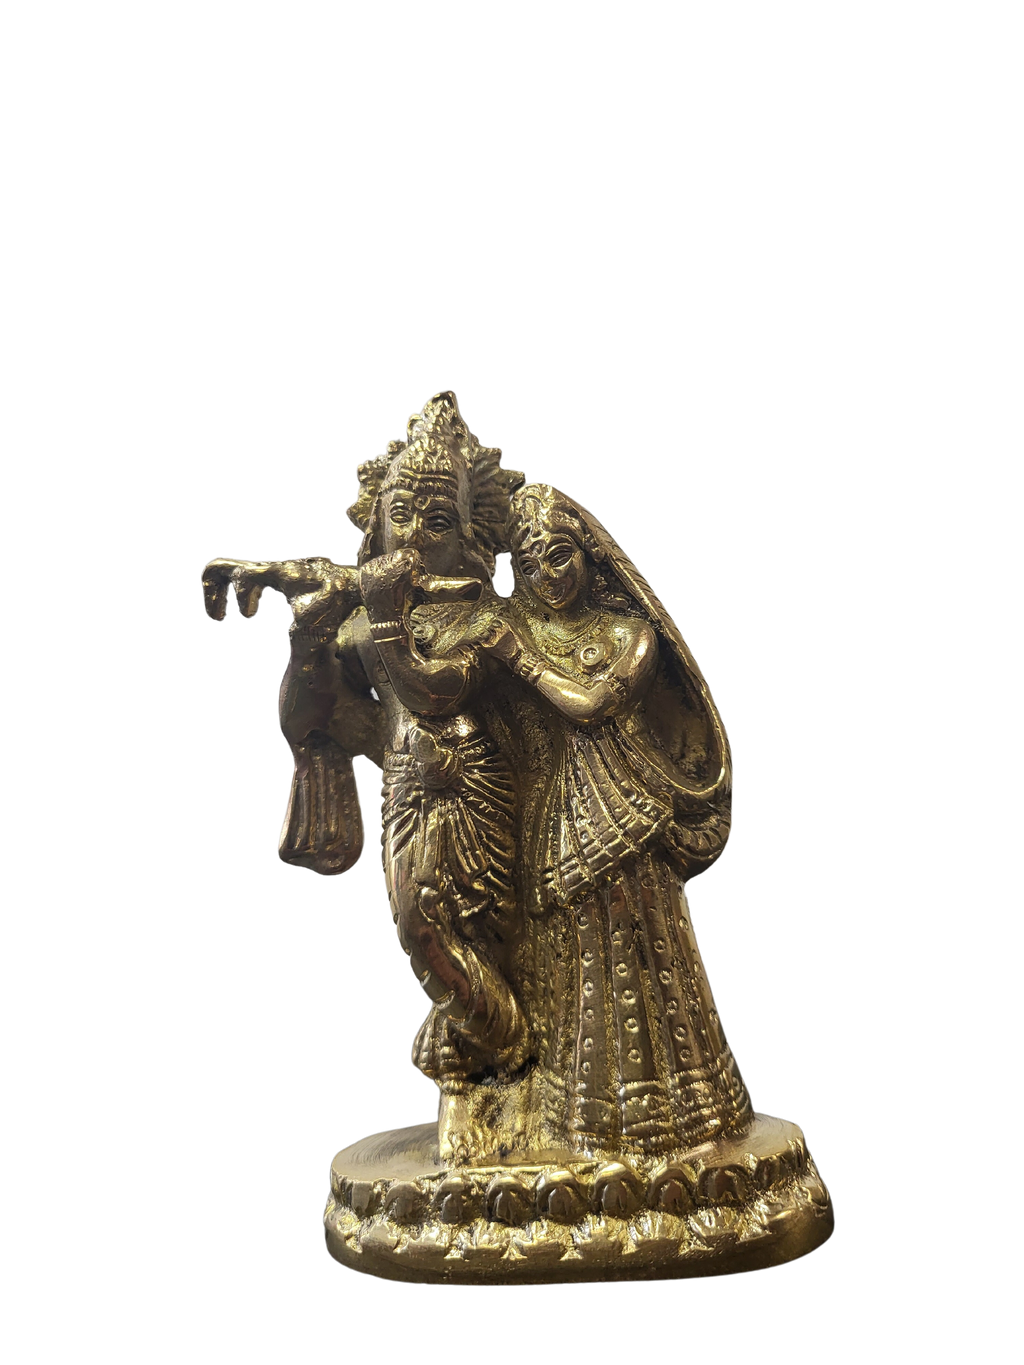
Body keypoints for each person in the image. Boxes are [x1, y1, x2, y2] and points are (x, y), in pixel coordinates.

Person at [480, 481, 753, 1156]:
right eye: (530, 562)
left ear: (590, 555)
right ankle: (581, 1111)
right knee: (573, 960)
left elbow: (593, 705)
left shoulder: (629, 636)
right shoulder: (514, 622)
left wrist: (519, 659)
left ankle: (683, 1109)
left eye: (560, 555)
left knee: (649, 944)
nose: (548, 575)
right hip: (557, 816)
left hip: (628, 811)